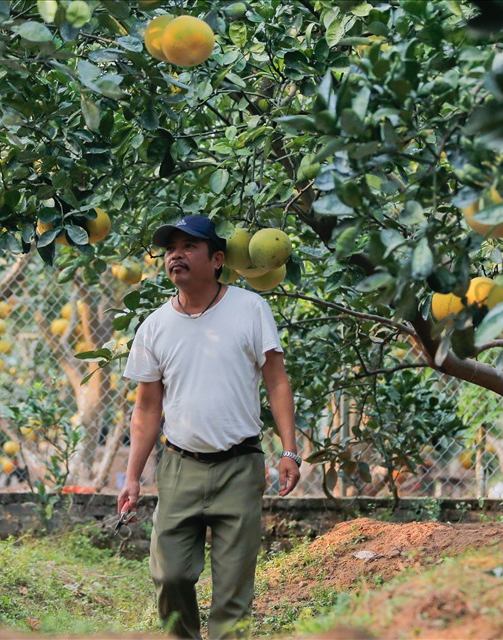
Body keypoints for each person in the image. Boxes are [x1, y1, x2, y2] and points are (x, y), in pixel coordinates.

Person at [116, 215, 300, 639]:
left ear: (218, 260)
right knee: (171, 576)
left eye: (189, 246)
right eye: (170, 249)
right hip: (180, 466)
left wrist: (289, 451)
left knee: (233, 593)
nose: (176, 255)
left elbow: (276, 380)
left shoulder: (250, 309)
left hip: (240, 465)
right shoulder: (154, 327)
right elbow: (146, 409)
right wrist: (132, 476)